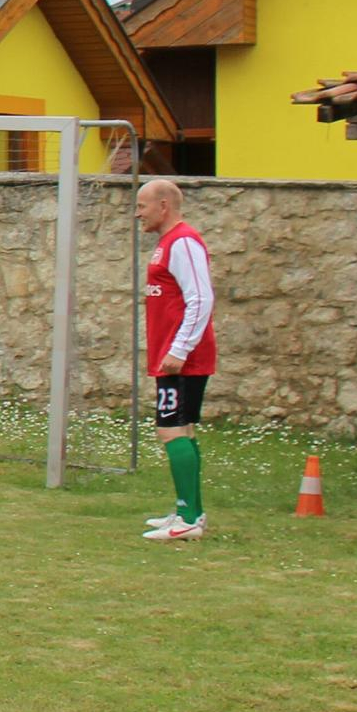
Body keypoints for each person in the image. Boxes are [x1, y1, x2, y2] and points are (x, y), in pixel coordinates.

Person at [136, 179, 216, 542]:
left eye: (142, 206)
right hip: (174, 355)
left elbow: (201, 298)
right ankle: (192, 512)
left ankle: (188, 518)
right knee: (184, 429)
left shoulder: (183, 241)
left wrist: (180, 349)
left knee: (170, 430)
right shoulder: (167, 243)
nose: (138, 213)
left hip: (183, 358)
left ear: (163, 206)